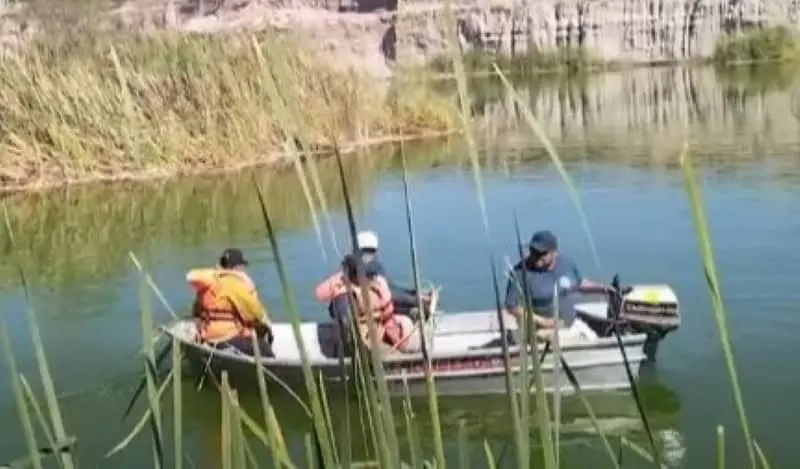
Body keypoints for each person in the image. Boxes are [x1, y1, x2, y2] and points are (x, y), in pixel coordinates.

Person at [503, 230, 609, 343]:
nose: (536, 256)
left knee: (595, 339)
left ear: (554, 252)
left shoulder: (567, 264)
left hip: (569, 323)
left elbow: (578, 283)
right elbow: (511, 306)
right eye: (533, 251)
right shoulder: (520, 272)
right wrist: (542, 321)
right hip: (541, 330)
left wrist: (604, 289)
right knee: (577, 341)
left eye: (542, 253)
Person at [314, 254, 423, 354]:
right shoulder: (346, 295)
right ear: (356, 276)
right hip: (364, 339)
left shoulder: (375, 283)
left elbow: (392, 296)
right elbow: (345, 323)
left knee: (408, 325)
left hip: (383, 326)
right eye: (368, 275)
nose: (373, 277)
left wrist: (416, 300)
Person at [186, 248, 275, 357]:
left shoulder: (210, 283)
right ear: (238, 266)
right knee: (264, 349)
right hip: (229, 338)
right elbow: (255, 314)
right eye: (242, 266)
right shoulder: (234, 284)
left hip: (209, 337)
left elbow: (197, 312)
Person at [355, 230, 434, 318]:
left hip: (383, 297)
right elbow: (389, 293)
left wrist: (412, 293)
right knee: (391, 296)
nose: (371, 255)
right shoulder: (366, 267)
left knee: (391, 288)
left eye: (371, 252)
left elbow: (390, 287)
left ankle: (416, 296)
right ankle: (418, 302)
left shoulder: (372, 265)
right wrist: (415, 300)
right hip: (378, 302)